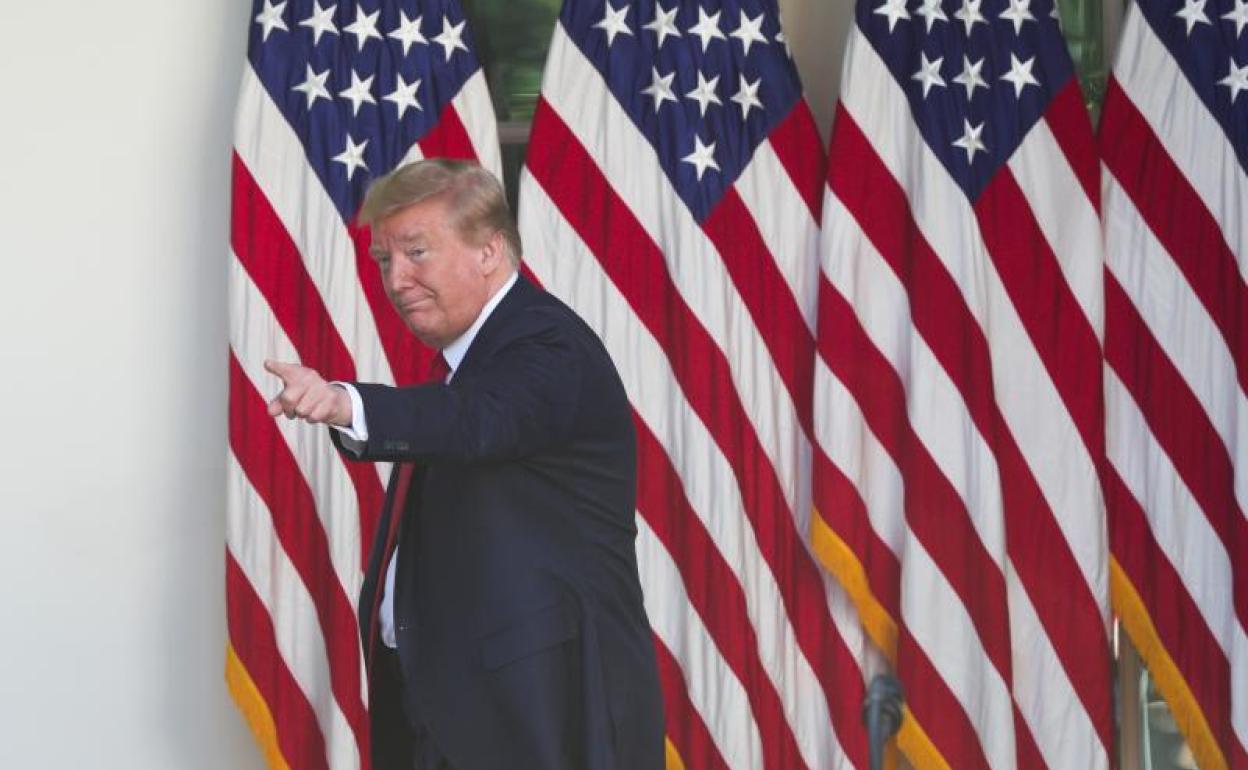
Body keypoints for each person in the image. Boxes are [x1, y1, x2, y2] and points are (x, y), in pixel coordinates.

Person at [264, 158, 665, 770]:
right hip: (458, 712)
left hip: (544, 718)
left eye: (417, 252)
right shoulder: (474, 360)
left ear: (489, 251)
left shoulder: (547, 343)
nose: (396, 279)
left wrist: (346, 403)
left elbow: (472, 422)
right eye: (384, 260)